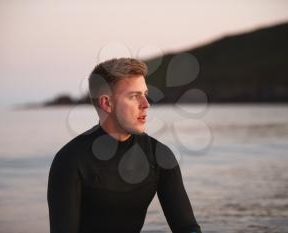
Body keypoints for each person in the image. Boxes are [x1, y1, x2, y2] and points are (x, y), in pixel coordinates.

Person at [47, 58, 202, 233]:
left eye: (145, 94)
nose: (146, 104)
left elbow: (187, 228)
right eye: (134, 96)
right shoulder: (70, 160)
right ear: (107, 103)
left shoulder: (159, 156)